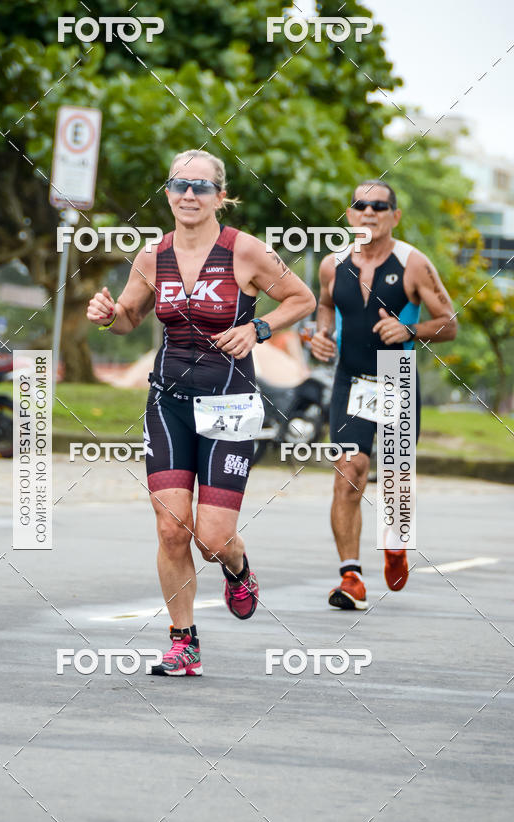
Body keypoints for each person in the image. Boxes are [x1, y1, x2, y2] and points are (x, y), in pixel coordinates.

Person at [87, 149, 316, 674]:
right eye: (179, 185)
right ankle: (182, 641)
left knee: (211, 539)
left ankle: (237, 567)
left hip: (230, 403)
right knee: (171, 529)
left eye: (201, 187)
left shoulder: (247, 252)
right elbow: (129, 317)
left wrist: (258, 328)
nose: (189, 195)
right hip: (168, 400)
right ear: (167, 193)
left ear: (221, 196)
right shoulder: (151, 257)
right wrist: (108, 315)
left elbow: (301, 299)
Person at [310, 179, 457, 611]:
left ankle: (396, 543)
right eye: (360, 205)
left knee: (395, 486)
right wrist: (321, 335)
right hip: (350, 378)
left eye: (380, 205)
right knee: (349, 472)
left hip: (396, 375)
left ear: (394, 215)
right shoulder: (331, 264)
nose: (369, 212)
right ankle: (351, 576)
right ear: (350, 214)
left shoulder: (413, 263)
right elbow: (323, 305)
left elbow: (449, 322)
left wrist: (411, 330)